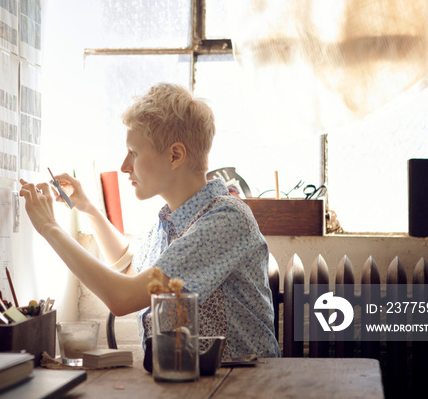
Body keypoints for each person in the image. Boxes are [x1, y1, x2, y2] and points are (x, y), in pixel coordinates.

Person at [19, 83, 280, 360]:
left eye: (134, 151)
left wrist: (50, 228)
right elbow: (133, 270)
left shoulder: (225, 220)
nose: (124, 165)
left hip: (239, 386)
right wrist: (89, 209)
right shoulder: (172, 220)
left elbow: (123, 296)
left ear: (175, 156)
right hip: (195, 382)